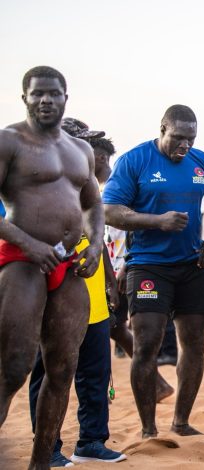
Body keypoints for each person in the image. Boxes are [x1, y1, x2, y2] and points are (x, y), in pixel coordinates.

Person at [0, 66, 104, 468]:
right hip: (23, 260)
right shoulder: (9, 141)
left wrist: (94, 244)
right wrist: (28, 242)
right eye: (37, 94)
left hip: (67, 263)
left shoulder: (79, 150)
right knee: (13, 367)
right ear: (24, 98)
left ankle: (41, 462)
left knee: (63, 369)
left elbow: (93, 204)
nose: (46, 100)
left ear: (66, 98)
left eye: (53, 93)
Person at [102, 104, 204, 438]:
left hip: (191, 265)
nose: (185, 146)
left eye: (191, 139)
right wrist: (157, 221)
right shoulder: (135, 160)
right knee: (145, 345)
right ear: (163, 129)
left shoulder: (203, 163)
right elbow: (110, 211)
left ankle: (181, 421)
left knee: (195, 345)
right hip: (147, 265)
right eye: (179, 138)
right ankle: (148, 429)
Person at [26, 118, 127, 467]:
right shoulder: (37, 185)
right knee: (51, 372)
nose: (92, 155)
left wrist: (111, 283)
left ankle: (92, 441)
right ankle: (49, 448)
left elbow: (96, 239)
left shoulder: (87, 190)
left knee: (96, 373)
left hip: (92, 295)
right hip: (53, 294)